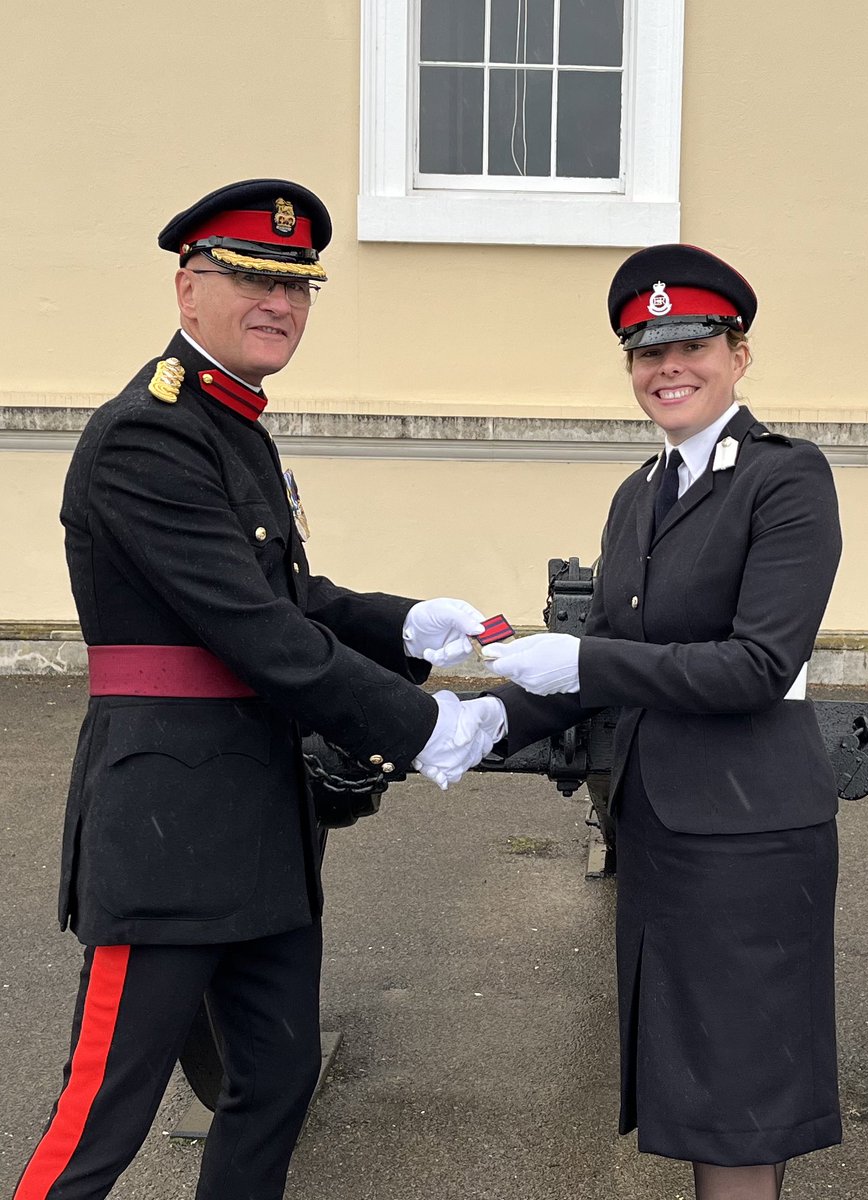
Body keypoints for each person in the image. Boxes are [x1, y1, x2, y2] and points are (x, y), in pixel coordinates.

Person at [13, 178, 500, 1200]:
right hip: (169, 828)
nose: (279, 302)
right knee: (105, 1111)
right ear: (187, 290)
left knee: (274, 1082)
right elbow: (253, 630)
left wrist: (407, 621)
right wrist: (423, 727)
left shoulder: (232, 422)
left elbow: (288, 592)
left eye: (298, 286)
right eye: (249, 278)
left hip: (262, 828)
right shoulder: (148, 432)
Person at [438, 244, 843, 1199]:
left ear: (738, 354)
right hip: (663, 825)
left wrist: (583, 657)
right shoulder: (639, 494)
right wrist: (484, 720)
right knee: (692, 1073)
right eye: (643, 351)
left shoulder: (786, 480)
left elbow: (758, 663)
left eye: (691, 343)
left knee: (738, 1093)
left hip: (751, 833)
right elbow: (611, 657)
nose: (668, 367)